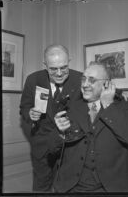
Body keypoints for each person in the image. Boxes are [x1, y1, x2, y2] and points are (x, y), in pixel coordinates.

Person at [53, 61, 128, 193]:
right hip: (73, 187)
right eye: (83, 79)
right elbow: (56, 149)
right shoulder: (71, 106)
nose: (85, 84)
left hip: (112, 188)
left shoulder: (125, 106)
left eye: (92, 80)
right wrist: (60, 133)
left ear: (106, 84)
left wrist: (108, 106)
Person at [19, 44, 82, 192]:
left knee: (69, 188)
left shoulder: (80, 78)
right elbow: (24, 107)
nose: (59, 73)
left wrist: (119, 96)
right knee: (41, 187)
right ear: (45, 65)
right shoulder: (33, 79)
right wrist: (30, 113)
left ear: (69, 61)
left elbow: (101, 87)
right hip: (42, 148)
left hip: (71, 146)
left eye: (64, 67)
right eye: (53, 69)